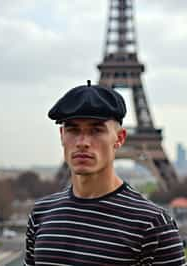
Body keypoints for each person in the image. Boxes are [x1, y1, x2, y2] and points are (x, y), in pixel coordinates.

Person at [24, 81, 186, 266]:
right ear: (62, 135)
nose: (82, 142)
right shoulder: (41, 214)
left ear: (120, 138)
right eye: (73, 130)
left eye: (96, 130)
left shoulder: (154, 226)